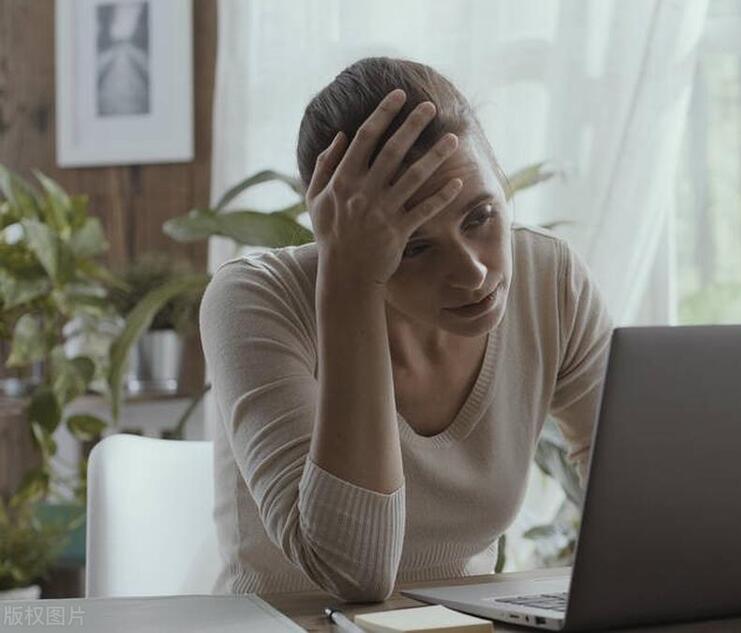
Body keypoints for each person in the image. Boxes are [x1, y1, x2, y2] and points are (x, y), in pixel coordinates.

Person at [199, 57, 613, 601]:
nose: (474, 271)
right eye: (414, 247)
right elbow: (355, 572)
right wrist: (350, 286)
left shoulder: (550, 279)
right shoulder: (254, 300)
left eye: (480, 215)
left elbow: (642, 484)